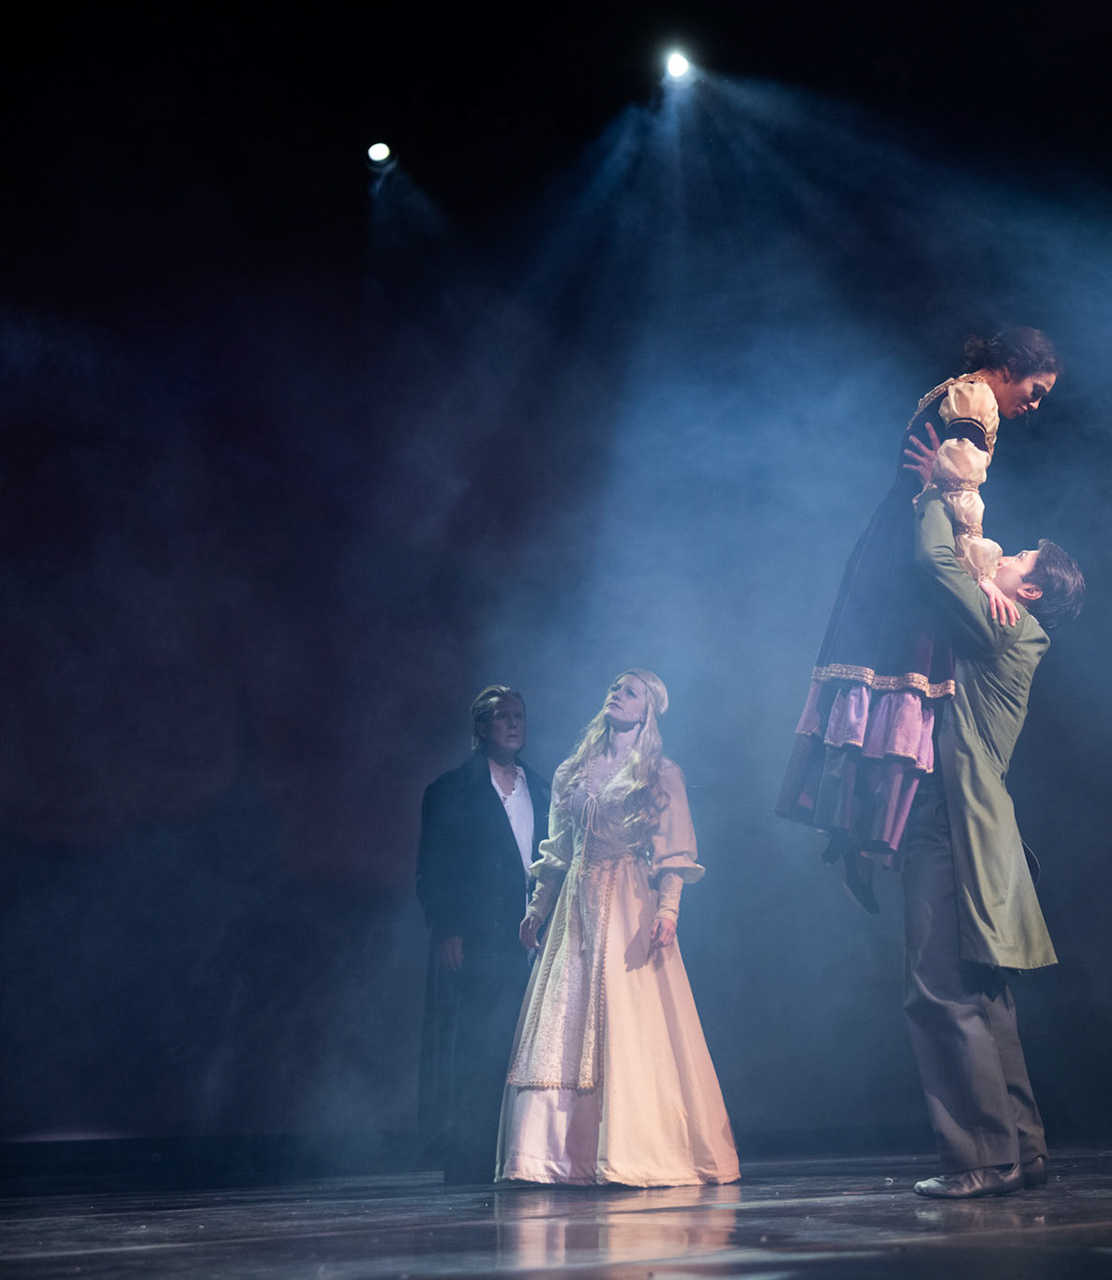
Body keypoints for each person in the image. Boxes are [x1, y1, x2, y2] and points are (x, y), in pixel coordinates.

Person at [777, 328, 1062, 909]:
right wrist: (983, 576)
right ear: (1012, 365)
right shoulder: (977, 402)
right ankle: (863, 836)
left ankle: (854, 834)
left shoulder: (954, 392)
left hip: (891, 541)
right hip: (908, 553)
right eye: (1036, 390)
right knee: (905, 680)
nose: (1035, 405)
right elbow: (959, 496)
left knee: (885, 684)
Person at [897, 484, 1085, 1198]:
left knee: (939, 989)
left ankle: (982, 1158)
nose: (1003, 555)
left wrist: (933, 495)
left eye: (1020, 558)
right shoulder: (1010, 623)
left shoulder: (1004, 626)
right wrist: (978, 577)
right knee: (983, 993)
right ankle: (1023, 1149)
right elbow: (961, 572)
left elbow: (934, 564)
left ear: (1029, 590)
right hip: (979, 822)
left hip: (955, 819)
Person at [497, 669, 739, 1187]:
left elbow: (674, 851)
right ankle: (556, 1156)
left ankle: (631, 1150)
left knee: (629, 1020)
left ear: (647, 711)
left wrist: (668, 910)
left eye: (631, 692)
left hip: (629, 899)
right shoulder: (572, 771)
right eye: (614, 687)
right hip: (576, 907)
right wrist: (538, 908)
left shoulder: (659, 774)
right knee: (563, 1022)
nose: (618, 694)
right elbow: (558, 850)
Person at [416, 684, 552, 1185]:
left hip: (533, 940)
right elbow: (433, 869)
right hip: (479, 938)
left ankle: (524, 1156)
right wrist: (447, 927)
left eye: (520, 716)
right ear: (481, 727)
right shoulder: (451, 790)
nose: (514, 724)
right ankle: (470, 1161)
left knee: (529, 1048)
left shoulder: (543, 789)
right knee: (477, 1050)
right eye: (503, 716)